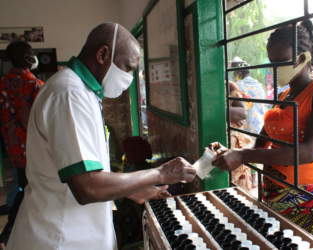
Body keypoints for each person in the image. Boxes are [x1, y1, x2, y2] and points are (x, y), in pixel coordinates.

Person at [6, 23, 196, 250]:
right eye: (127, 67)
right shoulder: (69, 94)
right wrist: (160, 173)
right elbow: (88, 186)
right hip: (61, 238)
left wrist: (132, 189)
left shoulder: (81, 92)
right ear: (103, 54)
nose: (129, 78)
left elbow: (84, 169)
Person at [211, 20, 313, 249]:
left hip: (311, 204)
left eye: (282, 62)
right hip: (277, 199)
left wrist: (242, 156)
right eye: (272, 62)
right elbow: (261, 146)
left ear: (303, 58)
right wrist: (231, 153)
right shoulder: (284, 98)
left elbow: (308, 152)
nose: (276, 68)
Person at [0, 41, 45, 248]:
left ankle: (14, 229)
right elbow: (43, 122)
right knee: (34, 191)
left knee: (24, 185)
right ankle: (12, 231)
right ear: (28, 57)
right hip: (35, 150)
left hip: (14, 149)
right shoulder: (35, 85)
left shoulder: (2, 83)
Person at [231, 57, 266, 135]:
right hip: (259, 126)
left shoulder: (237, 85)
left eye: (234, 73)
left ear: (238, 73)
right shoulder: (259, 86)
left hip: (245, 129)